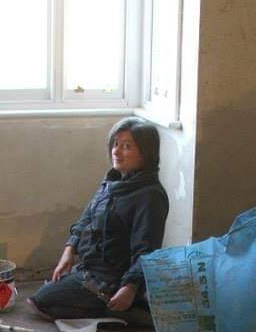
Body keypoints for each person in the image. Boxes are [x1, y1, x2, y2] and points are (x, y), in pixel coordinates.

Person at [28, 117, 169, 320]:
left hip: (112, 279)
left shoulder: (150, 196)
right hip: (91, 268)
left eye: (127, 146)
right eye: (116, 144)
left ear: (146, 154)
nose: (117, 151)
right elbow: (86, 218)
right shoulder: (113, 181)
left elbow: (146, 249)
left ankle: (120, 309)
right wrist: (69, 251)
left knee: (42, 301)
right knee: (44, 295)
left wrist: (130, 287)